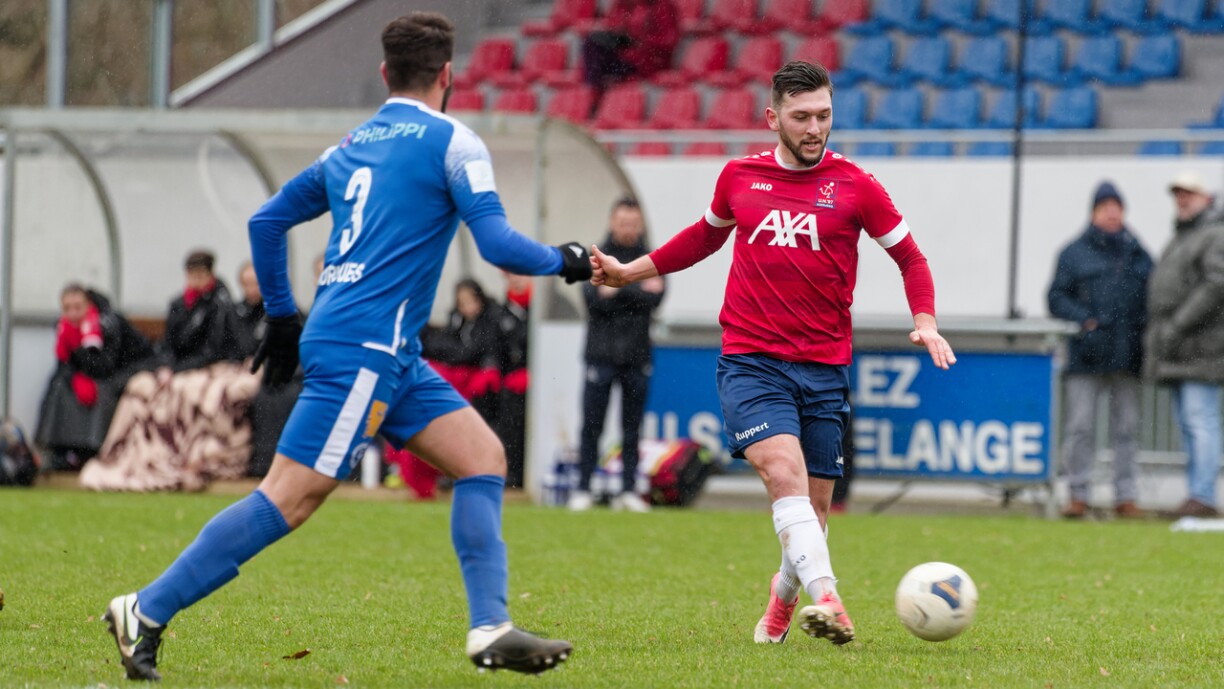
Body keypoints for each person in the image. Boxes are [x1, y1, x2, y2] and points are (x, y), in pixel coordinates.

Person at [102, 12, 588, 681]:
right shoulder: (454, 141)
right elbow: (500, 246)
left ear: (385, 73)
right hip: (366, 347)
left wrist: (280, 317)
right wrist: (574, 259)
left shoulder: (350, 146)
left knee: (481, 457)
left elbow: (267, 220)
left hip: (384, 348)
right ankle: (145, 609)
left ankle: (489, 625)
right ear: (448, 75)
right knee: (289, 497)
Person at [588, 61, 955, 647]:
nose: (815, 128)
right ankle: (829, 600)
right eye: (802, 116)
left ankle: (782, 602)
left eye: (824, 116)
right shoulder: (739, 177)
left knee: (813, 511)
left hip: (826, 367)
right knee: (783, 474)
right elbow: (704, 237)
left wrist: (926, 322)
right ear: (773, 117)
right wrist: (629, 272)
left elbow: (912, 258)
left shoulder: (857, 185)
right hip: (752, 361)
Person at [1047, 182, 1153, 519]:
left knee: (1126, 430)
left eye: (1116, 206)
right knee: (1080, 427)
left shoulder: (1139, 253)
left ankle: (1126, 497)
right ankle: (1077, 495)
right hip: (1086, 356)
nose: (1111, 212)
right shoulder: (1073, 253)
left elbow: (1154, 297)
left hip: (1128, 356)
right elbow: (1056, 297)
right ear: (1093, 212)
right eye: (1104, 206)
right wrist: (1085, 321)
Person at [568, 196, 665, 513]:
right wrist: (634, 288)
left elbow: (656, 298)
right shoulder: (596, 255)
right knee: (591, 425)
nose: (628, 229)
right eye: (623, 223)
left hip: (638, 356)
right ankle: (583, 487)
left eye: (633, 224)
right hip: (600, 354)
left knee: (632, 428)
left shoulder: (652, 257)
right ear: (612, 222)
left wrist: (616, 286)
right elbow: (592, 299)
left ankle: (628, 489)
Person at [1146, 171, 1224, 519]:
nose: (1182, 199)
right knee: (1191, 424)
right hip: (1181, 351)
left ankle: (1203, 495)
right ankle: (1197, 494)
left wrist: (1178, 324)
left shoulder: (1214, 235)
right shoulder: (1182, 237)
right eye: (1178, 193)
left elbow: (1215, 285)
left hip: (1202, 349)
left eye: (1189, 193)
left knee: (1200, 421)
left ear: (1207, 198)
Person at [35, 284, 153, 469]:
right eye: (67, 308)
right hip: (96, 371)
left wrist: (79, 353)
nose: (73, 313)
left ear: (88, 304)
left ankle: (95, 450)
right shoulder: (65, 328)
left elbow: (106, 366)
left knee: (103, 390)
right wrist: (74, 377)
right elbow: (63, 365)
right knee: (59, 386)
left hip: (133, 367)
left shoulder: (107, 324)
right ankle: (59, 450)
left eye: (77, 307)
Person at [157, 250, 245, 375]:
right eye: (192, 275)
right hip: (179, 365)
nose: (196, 281)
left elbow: (213, 349)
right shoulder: (178, 304)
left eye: (200, 275)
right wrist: (167, 366)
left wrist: (177, 369)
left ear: (210, 275)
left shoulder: (220, 303)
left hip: (208, 366)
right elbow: (169, 342)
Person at [582, 0, 679, 98]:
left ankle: (594, 94)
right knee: (595, 41)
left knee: (597, 53)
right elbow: (626, 30)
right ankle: (594, 90)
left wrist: (642, 41)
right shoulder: (638, 5)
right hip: (633, 57)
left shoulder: (664, 6)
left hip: (649, 62)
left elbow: (668, 41)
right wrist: (624, 37)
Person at [498, 272, 532, 488]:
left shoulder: (542, 309)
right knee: (510, 427)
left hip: (535, 383)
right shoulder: (501, 312)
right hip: (511, 384)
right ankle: (512, 473)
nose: (515, 280)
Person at [233, 261, 266, 358]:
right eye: (247, 284)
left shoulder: (275, 311)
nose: (252, 289)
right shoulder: (234, 311)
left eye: (256, 284)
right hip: (238, 366)